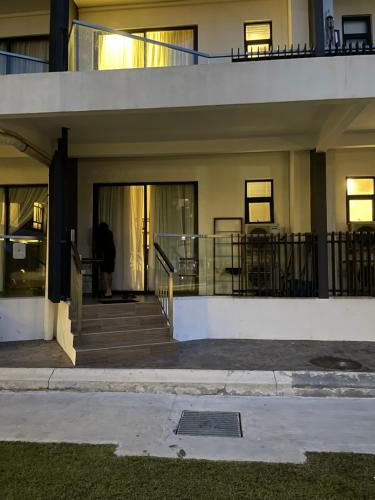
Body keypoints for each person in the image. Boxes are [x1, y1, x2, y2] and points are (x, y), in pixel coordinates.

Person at [95, 222, 116, 298]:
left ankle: (107, 290)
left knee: (104, 272)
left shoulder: (100, 234)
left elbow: (99, 246)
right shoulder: (110, 233)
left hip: (104, 254)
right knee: (110, 272)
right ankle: (109, 290)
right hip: (112, 253)